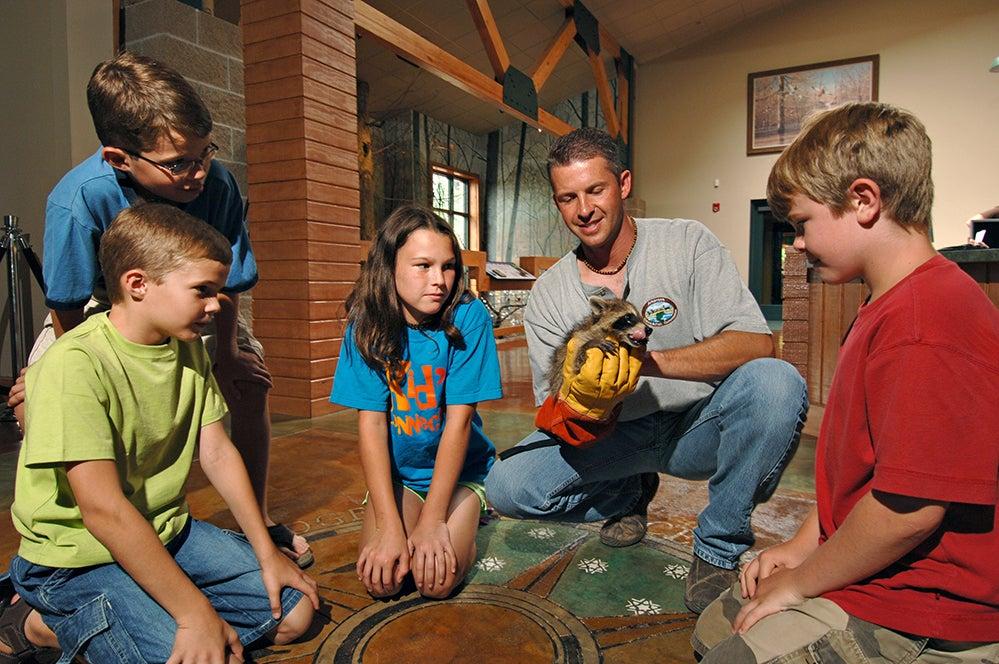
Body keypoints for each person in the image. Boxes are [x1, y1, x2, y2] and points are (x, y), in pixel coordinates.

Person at [692, 103, 999, 662]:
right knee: (718, 625)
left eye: (803, 223)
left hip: (927, 604)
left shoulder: (924, 324)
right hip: (885, 570)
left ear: (863, 200)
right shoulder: (886, 301)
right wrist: (803, 547)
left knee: (728, 655)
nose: (798, 244)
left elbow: (909, 511)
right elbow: (858, 475)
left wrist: (802, 582)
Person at [5, 51, 312, 566]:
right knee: (35, 408)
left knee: (248, 384)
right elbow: (66, 305)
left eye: (204, 153)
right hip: (97, 311)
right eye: (178, 164)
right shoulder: (78, 198)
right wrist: (64, 373)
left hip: (199, 299)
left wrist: (230, 353)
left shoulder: (216, 184)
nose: (197, 173)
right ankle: (56, 553)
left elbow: (228, 280)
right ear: (118, 158)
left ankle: (255, 517)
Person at [484, 127, 808, 614]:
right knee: (507, 486)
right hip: (612, 438)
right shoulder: (549, 293)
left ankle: (719, 546)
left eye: (595, 190)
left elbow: (757, 343)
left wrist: (648, 365)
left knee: (777, 384)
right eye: (568, 198)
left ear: (624, 184)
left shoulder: (688, 242)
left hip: (695, 426)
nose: (584, 210)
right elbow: (553, 410)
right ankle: (627, 492)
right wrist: (590, 403)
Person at [0, 204, 319, 663]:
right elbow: (103, 510)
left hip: (166, 531)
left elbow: (217, 451)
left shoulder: (185, 347)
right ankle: (37, 622)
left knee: (293, 613)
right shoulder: (76, 363)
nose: (216, 304)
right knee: (198, 652)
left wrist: (265, 548)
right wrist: (192, 614)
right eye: (203, 290)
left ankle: (137, 614)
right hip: (76, 558)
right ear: (137, 284)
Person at [330, 205, 502, 599]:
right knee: (384, 581)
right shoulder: (366, 322)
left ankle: (472, 513)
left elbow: (459, 423)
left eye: (448, 266)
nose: (439, 280)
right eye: (422, 266)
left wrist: (434, 521)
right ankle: (403, 517)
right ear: (389, 266)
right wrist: (390, 524)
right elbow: (371, 425)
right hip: (402, 477)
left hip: (460, 474)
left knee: (435, 583)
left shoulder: (468, 316)